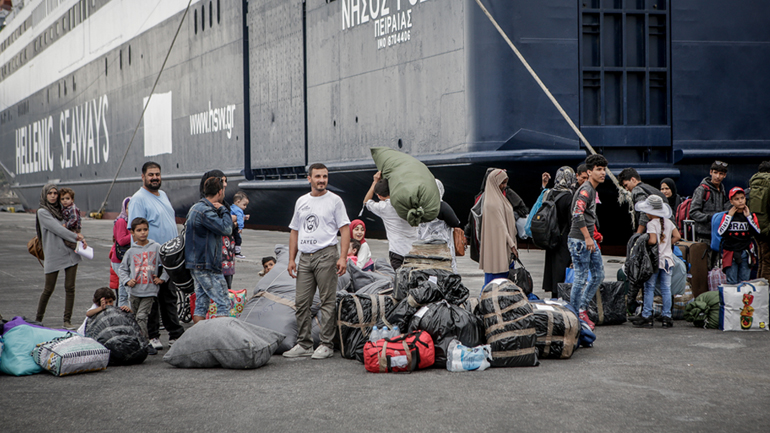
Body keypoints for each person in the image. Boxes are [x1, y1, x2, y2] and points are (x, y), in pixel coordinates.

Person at [284, 163, 350, 359]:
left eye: (325, 176)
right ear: (309, 179)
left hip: (326, 254)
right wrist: (291, 259)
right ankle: (304, 344)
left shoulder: (335, 201)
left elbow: (344, 229)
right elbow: (295, 230)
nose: (322, 180)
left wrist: (343, 257)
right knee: (301, 302)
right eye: (318, 176)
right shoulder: (301, 201)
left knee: (327, 301)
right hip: (305, 257)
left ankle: (327, 344)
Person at [128, 161, 185, 350]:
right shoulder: (138, 199)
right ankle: (152, 336)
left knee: (169, 296)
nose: (155, 178)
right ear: (143, 177)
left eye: (157, 174)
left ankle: (175, 334)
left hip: (168, 258)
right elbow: (135, 230)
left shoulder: (164, 195)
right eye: (151, 175)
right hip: (150, 257)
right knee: (150, 298)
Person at [35, 184, 85, 329]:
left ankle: (67, 321)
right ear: (45, 195)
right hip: (54, 255)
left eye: (55, 193)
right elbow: (58, 229)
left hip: (70, 253)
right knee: (48, 289)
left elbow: (74, 223)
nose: (53, 196)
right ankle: (38, 320)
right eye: (49, 193)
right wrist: (77, 237)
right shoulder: (43, 212)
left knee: (70, 288)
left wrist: (78, 235)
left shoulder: (63, 210)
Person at [567, 154, 608, 330]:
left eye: (604, 169)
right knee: (581, 277)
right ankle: (575, 314)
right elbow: (577, 214)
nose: (603, 173)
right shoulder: (586, 190)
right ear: (589, 171)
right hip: (580, 241)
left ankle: (581, 308)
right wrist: (587, 237)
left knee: (598, 275)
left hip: (587, 240)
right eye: (599, 169)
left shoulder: (592, 189)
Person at [186, 177, 233, 324]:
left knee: (201, 304)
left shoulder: (195, 208)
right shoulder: (206, 210)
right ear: (220, 192)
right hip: (207, 265)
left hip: (196, 263)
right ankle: (221, 338)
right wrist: (224, 210)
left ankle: (199, 337)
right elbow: (226, 228)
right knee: (223, 302)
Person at [119, 217, 168, 354]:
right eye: (139, 230)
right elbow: (122, 269)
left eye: (145, 229)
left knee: (141, 317)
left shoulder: (156, 247)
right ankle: (136, 343)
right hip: (134, 292)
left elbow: (167, 264)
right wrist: (127, 280)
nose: (143, 233)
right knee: (135, 318)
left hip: (150, 291)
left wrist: (162, 278)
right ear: (132, 233)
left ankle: (145, 343)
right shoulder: (130, 251)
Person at [632, 195, 681, 328]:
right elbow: (678, 236)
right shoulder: (669, 222)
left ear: (651, 211)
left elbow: (652, 241)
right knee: (666, 289)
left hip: (654, 261)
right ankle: (667, 317)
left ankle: (647, 315)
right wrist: (667, 244)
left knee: (649, 288)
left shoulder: (651, 224)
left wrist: (643, 241)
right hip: (668, 261)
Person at [465, 168, 529, 263]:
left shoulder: (507, 193)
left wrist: (507, 216)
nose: (504, 185)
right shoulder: (481, 197)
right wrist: (466, 235)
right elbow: (473, 217)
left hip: (503, 239)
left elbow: (522, 209)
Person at [364, 171, 418, 270]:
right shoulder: (407, 202)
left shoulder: (383, 207)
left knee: (400, 281)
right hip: (415, 249)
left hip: (397, 251)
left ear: (379, 196)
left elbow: (366, 202)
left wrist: (375, 182)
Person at [478, 169, 518, 286]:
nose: (504, 186)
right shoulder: (492, 203)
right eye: (502, 183)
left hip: (503, 247)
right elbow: (501, 227)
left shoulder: (499, 199)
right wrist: (512, 245)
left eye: (506, 183)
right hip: (497, 249)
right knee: (495, 282)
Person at [198, 170, 237, 289]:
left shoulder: (224, 205)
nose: (225, 184)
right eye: (221, 181)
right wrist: (231, 220)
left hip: (227, 259)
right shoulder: (207, 207)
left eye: (226, 181)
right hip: (214, 261)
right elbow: (224, 227)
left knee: (227, 290)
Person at [542, 166, 577, 295]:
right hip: (564, 239)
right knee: (564, 271)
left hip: (551, 237)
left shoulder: (550, 193)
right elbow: (572, 221)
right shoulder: (569, 197)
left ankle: (554, 296)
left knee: (554, 271)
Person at [690, 161, 730, 268]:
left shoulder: (722, 191)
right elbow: (693, 212)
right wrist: (710, 218)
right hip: (704, 237)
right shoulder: (702, 190)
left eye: (721, 174)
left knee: (717, 268)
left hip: (718, 236)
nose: (718, 176)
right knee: (704, 268)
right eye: (715, 172)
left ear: (724, 175)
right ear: (710, 172)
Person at [717, 187, 761, 284]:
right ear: (731, 202)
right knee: (731, 282)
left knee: (745, 282)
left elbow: (757, 232)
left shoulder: (751, 215)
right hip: (730, 252)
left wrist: (748, 217)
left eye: (742, 198)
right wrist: (729, 216)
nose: (740, 201)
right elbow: (721, 232)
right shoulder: (726, 215)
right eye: (736, 199)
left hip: (746, 252)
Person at [418, 179, 462, 273]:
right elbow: (454, 222)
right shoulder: (442, 206)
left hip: (423, 244)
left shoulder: (419, 206)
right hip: (442, 245)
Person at [617, 167, 670, 233]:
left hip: (656, 233)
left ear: (633, 179)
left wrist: (638, 234)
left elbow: (644, 212)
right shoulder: (653, 189)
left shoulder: (636, 189)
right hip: (667, 230)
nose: (626, 189)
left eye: (626, 185)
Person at [749, 161, 770, 281]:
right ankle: (767, 292)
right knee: (768, 262)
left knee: (762, 260)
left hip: (757, 227)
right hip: (768, 227)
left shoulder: (753, 184)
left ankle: (761, 289)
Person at [110, 197, 132, 309]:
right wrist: (134, 234)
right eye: (128, 208)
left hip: (126, 259)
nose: (130, 210)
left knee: (123, 289)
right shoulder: (121, 221)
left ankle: (122, 311)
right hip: (119, 260)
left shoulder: (132, 221)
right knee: (127, 288)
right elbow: (121, 240)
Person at [231, 191, 250, 259]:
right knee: (238, 239)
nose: (245, 207)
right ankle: (237, 253)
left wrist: (244, 216)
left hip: (230, 225)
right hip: (235, 227)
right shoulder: (239, 210)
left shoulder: (232, 207)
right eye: (244, 205)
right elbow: (239, 218)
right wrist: (240, 227)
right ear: (238, 201)